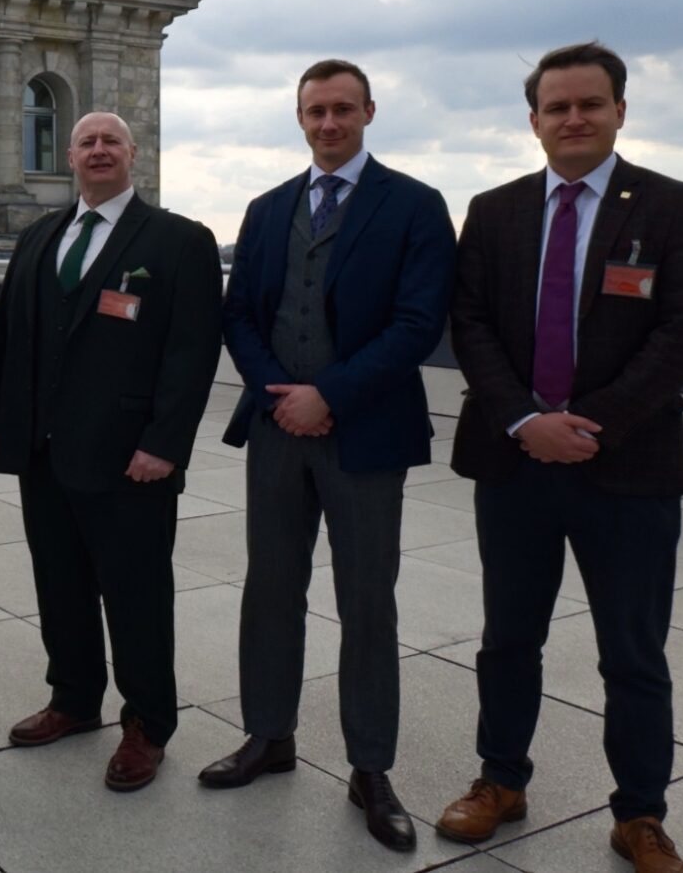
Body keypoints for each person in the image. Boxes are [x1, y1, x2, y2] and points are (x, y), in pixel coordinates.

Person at [438, 42, 683, 873]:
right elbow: (472, 326)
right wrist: (526, 419)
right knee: (507, 638)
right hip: (515, 461)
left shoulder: (671, 205)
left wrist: (588, 422)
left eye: (589, 104)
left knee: (632, 651)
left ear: (619, 111)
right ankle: (500, 779)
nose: (572, 119)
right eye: (555, 107)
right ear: (533, 121)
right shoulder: (494, 210)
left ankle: (640, 814)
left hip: (627, 466)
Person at [200, 60, 455, 849]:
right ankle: (269, 736)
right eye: (315, 111)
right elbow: (239, 313)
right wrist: (281, 390)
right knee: (270, 588)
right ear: (299, 117)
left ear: (369, 112)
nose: (328, 123)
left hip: (366, 437)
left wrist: (330, 395)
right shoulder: (267, 208)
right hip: (278, 432)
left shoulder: (415, 206)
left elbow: (418, 324)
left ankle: (370, 768)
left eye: (343, 109)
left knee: (367, 603)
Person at [0, 111, 221, 792]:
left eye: (111, 140)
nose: (98, 150)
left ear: (132, 155)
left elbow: (192, 351)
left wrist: (164, 444)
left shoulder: (179, 241)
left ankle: (147, 724)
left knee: (136, 594)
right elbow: (10, 338)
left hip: (130, 459)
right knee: (60, 585)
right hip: (45, 453)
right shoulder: (40, 238)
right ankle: (74, 700)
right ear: (70, 157)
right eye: (86, 141)